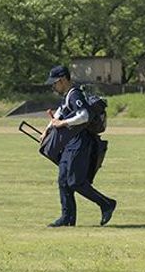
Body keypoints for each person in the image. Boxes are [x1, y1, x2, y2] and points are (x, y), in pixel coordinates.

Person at [43, 65, 117, 227]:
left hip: (80, 143)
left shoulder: (75, 94)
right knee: (63, 180)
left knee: (75, 182)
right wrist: (47, 130)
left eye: (54, 83)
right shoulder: (68, 95)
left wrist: (62, 123)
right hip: (70, 142)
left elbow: (84, 115)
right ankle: (67, 218)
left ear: (62, 80)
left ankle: (106, 203)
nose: (53, 86)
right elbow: (59, 112)